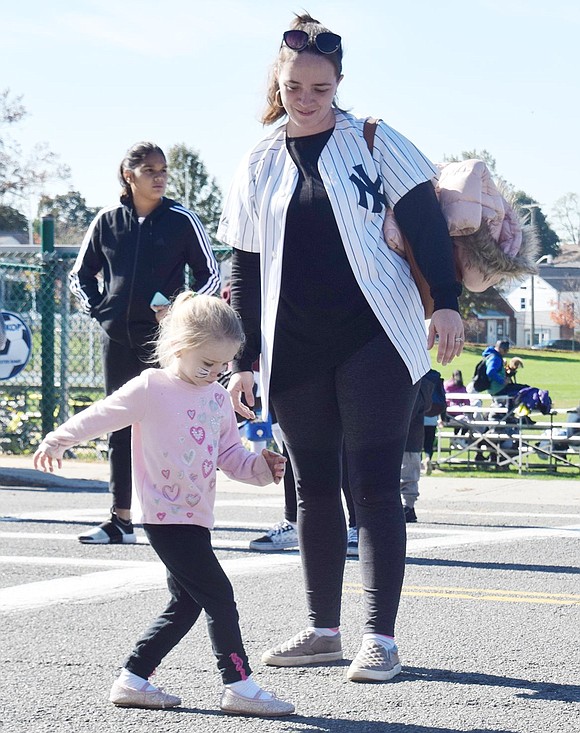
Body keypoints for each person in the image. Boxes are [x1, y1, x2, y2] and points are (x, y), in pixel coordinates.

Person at [218, 13, 464, 683]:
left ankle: (379, 636)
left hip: (375, 337)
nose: (306, 99)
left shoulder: (375, 142)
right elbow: (245, 265)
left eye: (320, 89)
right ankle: (324, 629)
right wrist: (244, 360)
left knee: (375, 485)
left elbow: (425, 226)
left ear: (339, 83)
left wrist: (446, 301)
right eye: (295, 86)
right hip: (293, 348)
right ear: (279, 78)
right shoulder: (259, 160)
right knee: (314, 488)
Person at [33, 293, 294, 718]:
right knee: (219, 595)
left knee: (186, 602)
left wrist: (263, 469)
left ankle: (132, 679)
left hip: (197, 516)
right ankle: (238, 684)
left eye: (224, 365)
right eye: (205, 363)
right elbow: (102, 414)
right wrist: (58, 439)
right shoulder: (152, 386)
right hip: (162, 515)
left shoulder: (216, 399)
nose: (214, 373)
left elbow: (230, 457)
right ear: (177, 346)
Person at [69, 142, 220, 545]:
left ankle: (180, 517)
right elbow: (79, 277)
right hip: (117, 338)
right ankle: (120, 519)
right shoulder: (106, 221)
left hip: (166, 345)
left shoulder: (181, 220)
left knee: (173, 426)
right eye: (150, 170)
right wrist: (102, 312)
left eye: (164, 170)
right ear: (128, 174)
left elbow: (210, 276)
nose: (159, 177)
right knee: (118, 422)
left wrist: (180, 314)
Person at [401, 377, 434, 523]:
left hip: (407, 437)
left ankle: (407, 507)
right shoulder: (424, 382)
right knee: (408, 473)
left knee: (407, 474)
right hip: (412, 437)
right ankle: (407, 506)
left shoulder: (414, 384)